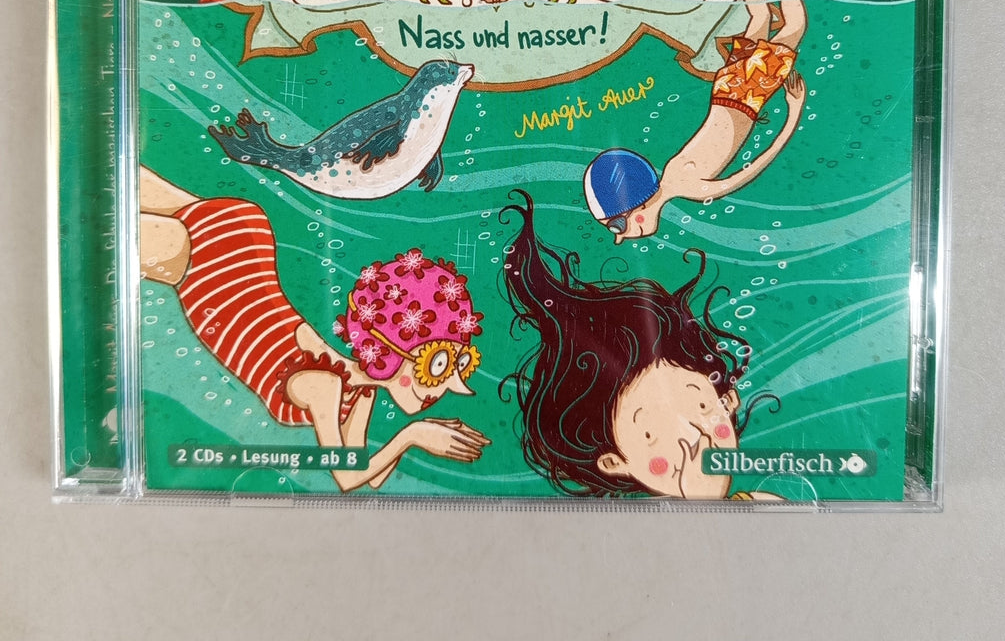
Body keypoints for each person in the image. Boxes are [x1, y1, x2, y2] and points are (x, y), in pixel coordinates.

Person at [140, 166, 489, 492]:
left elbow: (367, 478)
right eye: (437, 365)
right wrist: (412, 435)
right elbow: (345, 476)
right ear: (391, 350)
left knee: (120, 183)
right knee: (111, 221)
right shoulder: (327, 385)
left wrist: (417, 438)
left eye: (459, 365)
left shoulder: (360, 394)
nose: (448, 386)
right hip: (215, 272)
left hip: (242, 240)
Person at [500, 191, 779, 500]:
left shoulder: (766, 506)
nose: (693, 436)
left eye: (702, 407)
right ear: (614, 463)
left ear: (728, 401)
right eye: (650, 434)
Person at [584, 0, 807, 243]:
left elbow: (755, 168)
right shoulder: (675, 176)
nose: (619, 238)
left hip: (745, 95)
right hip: (729, 92)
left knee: (794, 26)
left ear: (633, 208)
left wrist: (793, 114)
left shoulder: (687, 185)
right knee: (760, 19)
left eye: (617, 226)